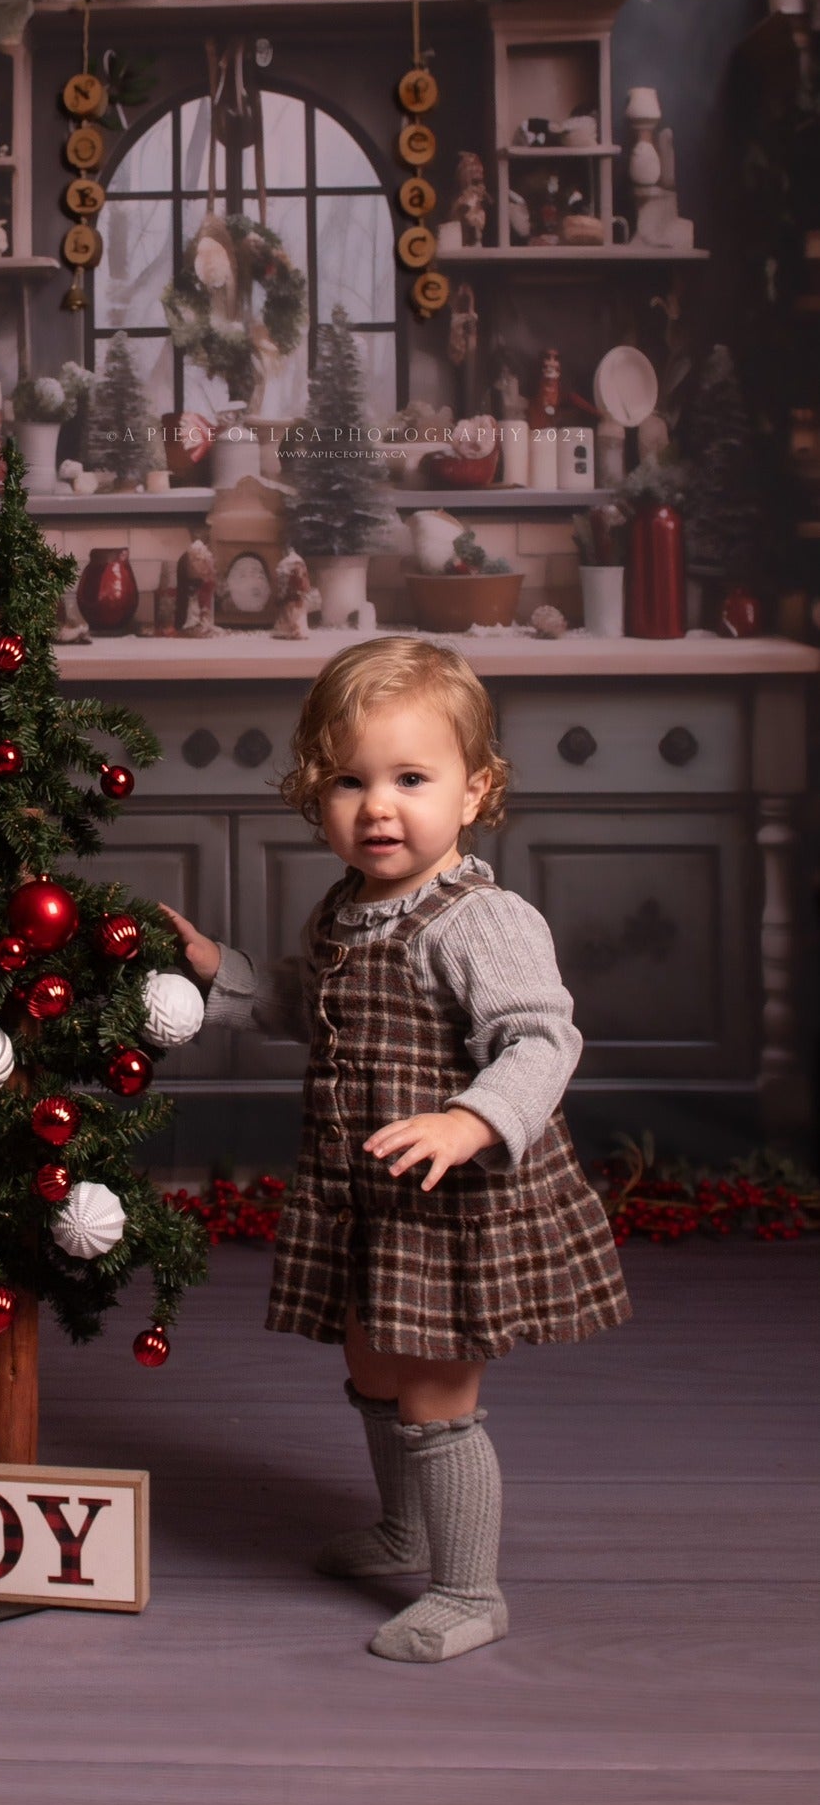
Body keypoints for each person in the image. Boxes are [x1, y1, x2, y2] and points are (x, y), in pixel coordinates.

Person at [160, 637, 631, 1663]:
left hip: (451, 1200)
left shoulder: (480, 919)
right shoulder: (349, 907)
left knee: (436, 1389)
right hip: (369, 1187)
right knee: (374, 1363)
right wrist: (220, 973)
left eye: (411, 779)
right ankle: (403, 1527)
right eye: (349, 780)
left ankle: (469, 1588)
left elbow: (543, 1037)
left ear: (475, 791)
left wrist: (472, 1117)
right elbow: (313, 1007)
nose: (378, 806)